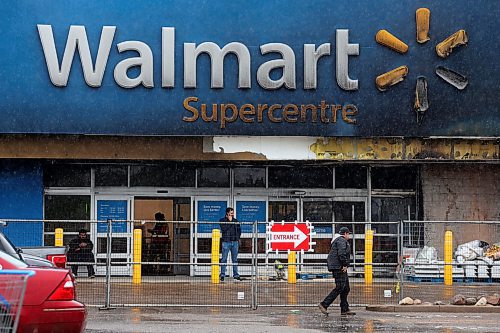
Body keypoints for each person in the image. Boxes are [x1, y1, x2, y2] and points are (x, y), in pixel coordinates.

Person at [318, 227, 355, 315]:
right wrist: (345, 265)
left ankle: (344, 309)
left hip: (339, 266)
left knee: (346, 288)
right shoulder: (341, 241)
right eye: (348, 234)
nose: (349, 236)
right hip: (339, 267)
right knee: (340, 287)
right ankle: (324, 304)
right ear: (345, 234)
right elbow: (342, 254)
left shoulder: (339, 240)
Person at [219, 207, 241, 281]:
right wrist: (229, 221)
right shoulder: (222, 220)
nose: (232, 214)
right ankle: (222, 274)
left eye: (233, 213)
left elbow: (239, 230)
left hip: (234, 242)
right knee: (224, 259)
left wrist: (237, 238)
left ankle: (236, 274)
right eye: (231, 213)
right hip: (226, 241)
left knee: (234, 259)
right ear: (227, 213)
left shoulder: (236, 221)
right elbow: (224, 229)